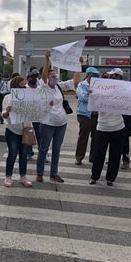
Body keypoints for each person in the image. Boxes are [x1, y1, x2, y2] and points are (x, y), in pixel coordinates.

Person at [36, 51, 82, 183]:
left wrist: (78, 65)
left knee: (56, 149)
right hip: (47, 123)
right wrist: (46, 60)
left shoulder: (58, 86)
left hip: (61, 122)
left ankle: (53, 174)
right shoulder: (43, 86)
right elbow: (44, 76)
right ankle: (40, 173)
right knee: (44, 148)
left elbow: (76, 80)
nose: (54, 77)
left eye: (55, 75)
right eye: (52, 75)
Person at [89, 68, 131, 186]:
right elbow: (94, 110)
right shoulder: (101, 90)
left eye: (115, 76)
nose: (112, 78)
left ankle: (110, 178)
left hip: (118, 127)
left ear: (120, 78)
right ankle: (94, 176)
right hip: (102, 127)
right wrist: (92, 96)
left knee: (115, 155)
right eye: (111, 76)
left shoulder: (127, 91)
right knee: (99, 154)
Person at [2, 76, 33, 187]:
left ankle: (23, 176)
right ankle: (8, 176)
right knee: (12, 154)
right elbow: (3, 115)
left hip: (25, 130)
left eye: (25, 84)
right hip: (12, 130)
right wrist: (8, 111)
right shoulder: (8, 97)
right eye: (21, 84)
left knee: (24, 155)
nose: (24, 86)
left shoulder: (29, 97)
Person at [74, 67, 100, 165]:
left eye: (96, 75)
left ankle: (93, 157)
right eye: (93, 75)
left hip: (96, 115)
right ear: (88, 75)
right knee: (83, 137)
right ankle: (79, 157)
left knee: (96, 138)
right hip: (85, 115)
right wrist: (93, 95)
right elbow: (83, 97)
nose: (95, 77)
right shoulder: (82, 85)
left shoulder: (99, 85)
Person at [25, 70, 42, 161]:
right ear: (28, 78)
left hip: (38, 117)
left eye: (35, 77)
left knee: (40, 136)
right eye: (32, 77)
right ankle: (28, 153)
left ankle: (42, 153)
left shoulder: (40, 89)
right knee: (28, 135)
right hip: (27, 117)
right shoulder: (24, 88)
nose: (33, 79)